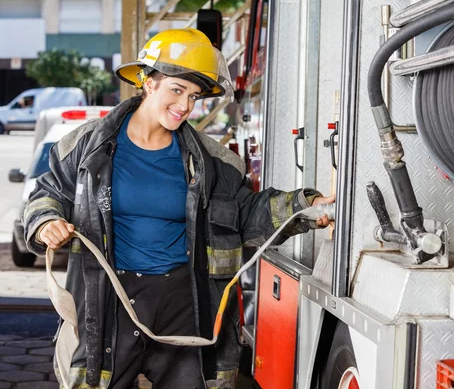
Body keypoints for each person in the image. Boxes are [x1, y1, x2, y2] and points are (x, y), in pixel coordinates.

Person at [23, 28, 334, 389]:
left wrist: (302, 207)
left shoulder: (214, 162)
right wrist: (46, 221)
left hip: (182, 302)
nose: (186, 106)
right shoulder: (85, 147)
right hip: (107, 299)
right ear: (148, 82)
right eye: (177, 90)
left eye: (195, 96)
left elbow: (246, 212)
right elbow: (47, 194)